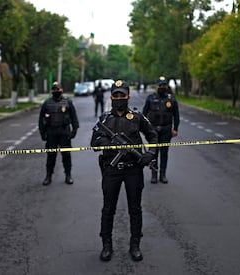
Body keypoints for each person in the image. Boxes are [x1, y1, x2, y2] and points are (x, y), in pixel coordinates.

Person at [90, 80, 157, 262]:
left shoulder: (137, 117)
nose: (119, 98)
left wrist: (150, 153)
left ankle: (135, 245)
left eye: (122, 95)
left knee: (134, 209)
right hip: (111, 169)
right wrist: (110, 144)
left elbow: (153, 135)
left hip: (133, 169)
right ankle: (106, 245)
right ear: (111, 97)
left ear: (128, 96)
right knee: (108, 208)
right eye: (116, 95)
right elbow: (94, 143)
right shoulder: (104, 119)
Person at [38, 81, 79, 185]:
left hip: (64, 132)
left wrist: (74, 130)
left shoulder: (68, 102)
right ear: (52, 91)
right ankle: (48, 176)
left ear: (62, 90)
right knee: (51, 155)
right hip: (51, 132)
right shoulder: (47, 103)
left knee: (66, 155)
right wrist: (42, 133)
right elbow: (41, 119)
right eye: (54, 89)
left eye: (58, 89)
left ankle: (68, 175)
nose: (56, 91)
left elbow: (74, 117)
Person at [142, 76, 179, 184]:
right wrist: (144, 128)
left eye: (164, 85)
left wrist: (175, 128)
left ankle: (163, 175)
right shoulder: (150, 98)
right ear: (157, 86)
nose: (162, 87)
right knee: (153, 153)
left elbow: (176, 115)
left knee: (164, 153)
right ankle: (154, 174)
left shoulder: (171, 99)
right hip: (153, 130)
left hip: (166, 129)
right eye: (160, 85)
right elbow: (144, 114)